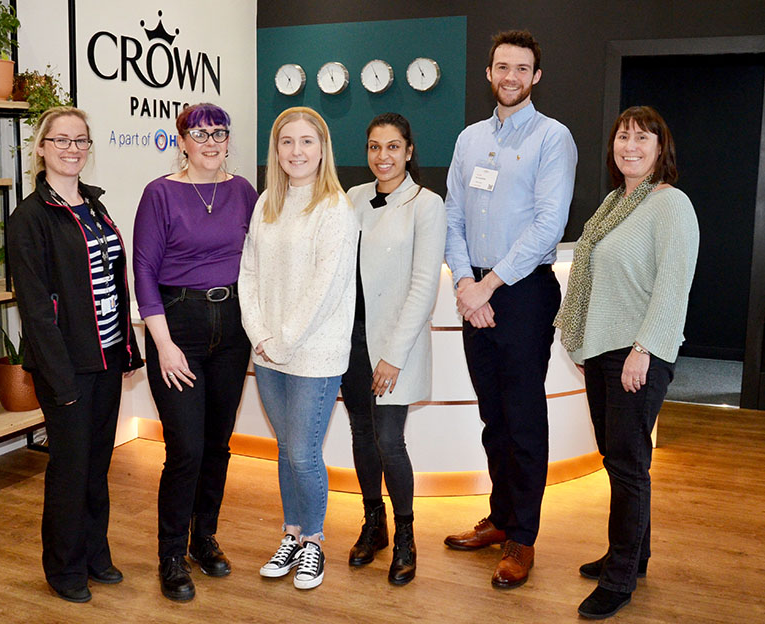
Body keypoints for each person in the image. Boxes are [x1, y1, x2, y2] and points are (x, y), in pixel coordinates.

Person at [442, 30, 578, 588]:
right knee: (492, 417)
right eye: (503, 67)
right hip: (475, 290)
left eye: (522, 68)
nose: (511, 77)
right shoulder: (469, 138)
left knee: (522, 419)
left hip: (522, 293)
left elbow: (550, 223)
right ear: (489, 73)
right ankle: (500, 518)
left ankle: (522, 536)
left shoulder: (553, 138)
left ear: (536, 76)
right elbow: (452, 215)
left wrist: (489, 284)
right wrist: (465, 283)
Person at [555, 106, 698, 619]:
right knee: (621, 460)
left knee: (628, 464)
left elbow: (673, 287)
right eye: (622, 136)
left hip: (637, 352)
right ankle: (633, 555)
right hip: (602, 350)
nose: (629, 146)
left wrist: (644, 350)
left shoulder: (670, 204)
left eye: (642, 138)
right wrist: (592, 346)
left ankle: (619, 580)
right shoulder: (615, 203)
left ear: (661, 148)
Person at [9, 106, 142, 603]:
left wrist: (125, 348)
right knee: (69, 470)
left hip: (105, 357)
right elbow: (35, 309)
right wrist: (60, 379)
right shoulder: (29, 218)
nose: (72, 149)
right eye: (61, 140)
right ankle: (64, 569)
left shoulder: (94, 205)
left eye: (80, 140)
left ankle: (94, 555)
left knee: (97, 465)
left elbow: (112, 283)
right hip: (66, 366)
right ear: (42, 148)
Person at [133, 103, 258, 602]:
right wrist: (163, 345)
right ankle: (170, 553)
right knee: (185, 448)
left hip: (232, 328)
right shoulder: (160, 193)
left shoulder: (243, 191)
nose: (210, 142)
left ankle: (203, 538)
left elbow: (260, 259)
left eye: (218, 133)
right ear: (181, 141)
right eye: (199, 134)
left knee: (218, 443)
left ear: (228, 140)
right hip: (177, 325)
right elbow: (144, 271)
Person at [238, 106, 357, 590]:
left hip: (314, 354)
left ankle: (313, 542)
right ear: (276, 150)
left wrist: (282, 339)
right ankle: (291, 534)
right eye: (287, 142)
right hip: (268, 350)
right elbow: (248, 272)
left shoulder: (336, 208)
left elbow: (324, 289)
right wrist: (260, 335)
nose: (297, 151)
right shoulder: (267, 202)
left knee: (304, 453)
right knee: (286, 449)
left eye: (307, 141)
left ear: (323, 149)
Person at [341, 113, 445, 586]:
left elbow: (423, 286)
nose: (383, 156)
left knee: (389, 440)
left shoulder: (427, 204)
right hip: (351, 339)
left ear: (409, 151)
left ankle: (406, 535)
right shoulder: (354, 197)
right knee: (362, 434)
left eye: (393, 147)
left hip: (393, 345)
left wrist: (394, 355)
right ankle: (374, 524)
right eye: (374, 147)